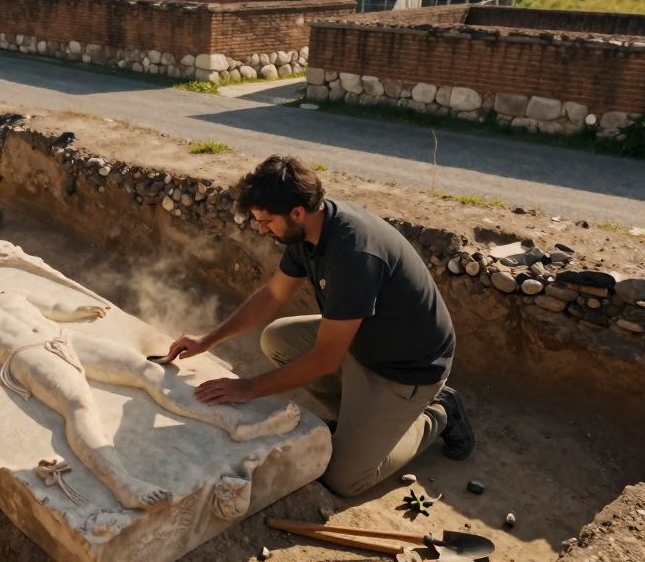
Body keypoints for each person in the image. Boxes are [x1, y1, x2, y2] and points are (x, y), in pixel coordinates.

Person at [167, 155, 474, 496]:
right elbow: (272, 295)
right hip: (363, 341)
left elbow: (326, 359)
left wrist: (249, 388)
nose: (261, 229)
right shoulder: (310, 230)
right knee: (277, 340)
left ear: (297, 212)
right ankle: (360, 420)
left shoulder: (353, 254)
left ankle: (438, 413)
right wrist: (207, 340)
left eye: (267, 222)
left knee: (343, 478)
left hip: (406, 367)